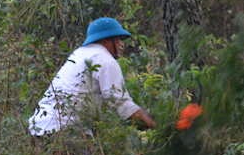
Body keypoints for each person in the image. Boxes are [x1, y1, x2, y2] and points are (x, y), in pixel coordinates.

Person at [28, 17, 156, 136]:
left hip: (39, 128)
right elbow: (119, 101)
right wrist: (153, 125)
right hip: (65, 130)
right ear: (105, 40)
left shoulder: (79, 54)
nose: (121, 44)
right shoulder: (105, 59)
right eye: (117, 40)